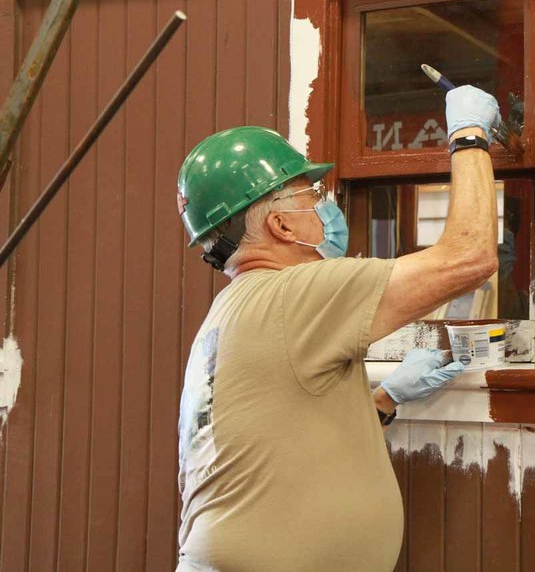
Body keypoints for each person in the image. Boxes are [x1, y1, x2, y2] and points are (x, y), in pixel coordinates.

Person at [173, 86, 500, 571]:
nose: (327, 206)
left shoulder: (234, 308)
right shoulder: (296, 293)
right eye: (315, 195)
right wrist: (469, 137)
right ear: (281, 225)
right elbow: (469, 256)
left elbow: (280, 439)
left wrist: (385, 399)